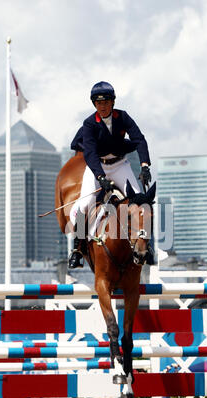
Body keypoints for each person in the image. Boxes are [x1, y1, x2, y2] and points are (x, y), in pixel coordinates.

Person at [68, 81, 152, 268]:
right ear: (94, 105)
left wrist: (145, 165)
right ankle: (78, 249)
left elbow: (139, 139)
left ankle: (148, 246)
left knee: (140, 202)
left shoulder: (123, 117)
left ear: (112, 102)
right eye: (98, 103)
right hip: (98, 166)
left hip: (120, 164)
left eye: (106, 102)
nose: (102, 107)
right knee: (84, 205)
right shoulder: (89, 123)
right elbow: (89, 153)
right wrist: (100, 178)